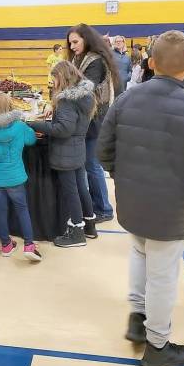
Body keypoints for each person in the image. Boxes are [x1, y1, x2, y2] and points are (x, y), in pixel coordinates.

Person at [97, 30, 184, 366]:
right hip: (171, 208)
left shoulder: (126, 99)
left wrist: (123, 179)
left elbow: (103, 150)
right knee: (163, 275)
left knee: (140, 253)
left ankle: (138, 318)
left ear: (150, 63)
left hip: (133, 201)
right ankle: (157, 345)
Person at [29, 61, 97, 247]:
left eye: (55, 78)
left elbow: (63, 129)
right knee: (81, 187)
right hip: (77, 148)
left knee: (71, 191)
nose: (53, 83)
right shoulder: (84, 95)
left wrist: (32, 123)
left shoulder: (67, 99)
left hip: (65, 150)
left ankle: (76, 232)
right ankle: (89, 225)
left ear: (63, 77)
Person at [0, 92, 41, 261]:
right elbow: (32, 139)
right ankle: (29, 245)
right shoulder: (19, 126)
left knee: (0, 211)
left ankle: (6, 245)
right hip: (16, 177)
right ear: (10, 106)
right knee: (22, 210)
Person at [67, 23, 119, 223]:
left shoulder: (95, 61)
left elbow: (85, 89)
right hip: (87, 119)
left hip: (95, 120)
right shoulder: (79, 58)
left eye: (75, 42)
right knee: (88, 165)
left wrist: (62, 95)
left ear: (86, 39)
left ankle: (104, 209)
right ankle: (94, 205)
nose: (72, 46)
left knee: (92, 165)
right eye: (70, 43)